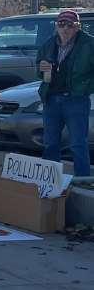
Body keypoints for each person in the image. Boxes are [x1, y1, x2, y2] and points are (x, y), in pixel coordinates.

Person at [37, 9, 93, 176]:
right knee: (50, 143)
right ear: (56, 26)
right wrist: (41, 69)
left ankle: (83, 181)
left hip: (76, 100)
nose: (65, 28)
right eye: (61, 24)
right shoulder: (49, 44)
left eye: (70, 24)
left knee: (78, 144)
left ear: (78, 27)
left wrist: (85, 87)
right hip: (51, 99)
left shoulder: (89, 44)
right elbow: (39, 67)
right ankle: (50, 181)